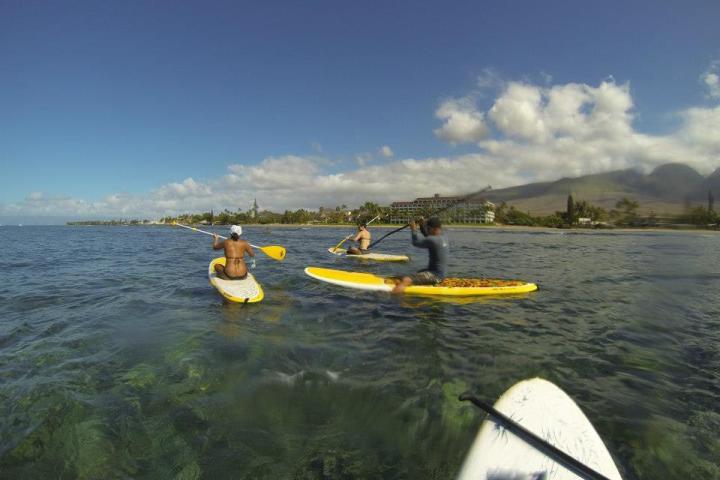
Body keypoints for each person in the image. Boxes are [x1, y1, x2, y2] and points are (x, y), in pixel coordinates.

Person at [392, 217, 448, 294]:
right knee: (417, 273)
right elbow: (428, 236)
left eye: (428, 228)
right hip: (438, 273)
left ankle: (396, 301)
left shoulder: (433, 240)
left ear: (434, 229)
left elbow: (416, 242)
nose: (427, 230)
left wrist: (413, 229)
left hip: (435, 276)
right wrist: (422, 225)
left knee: (406, 280)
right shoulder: (443, 237)